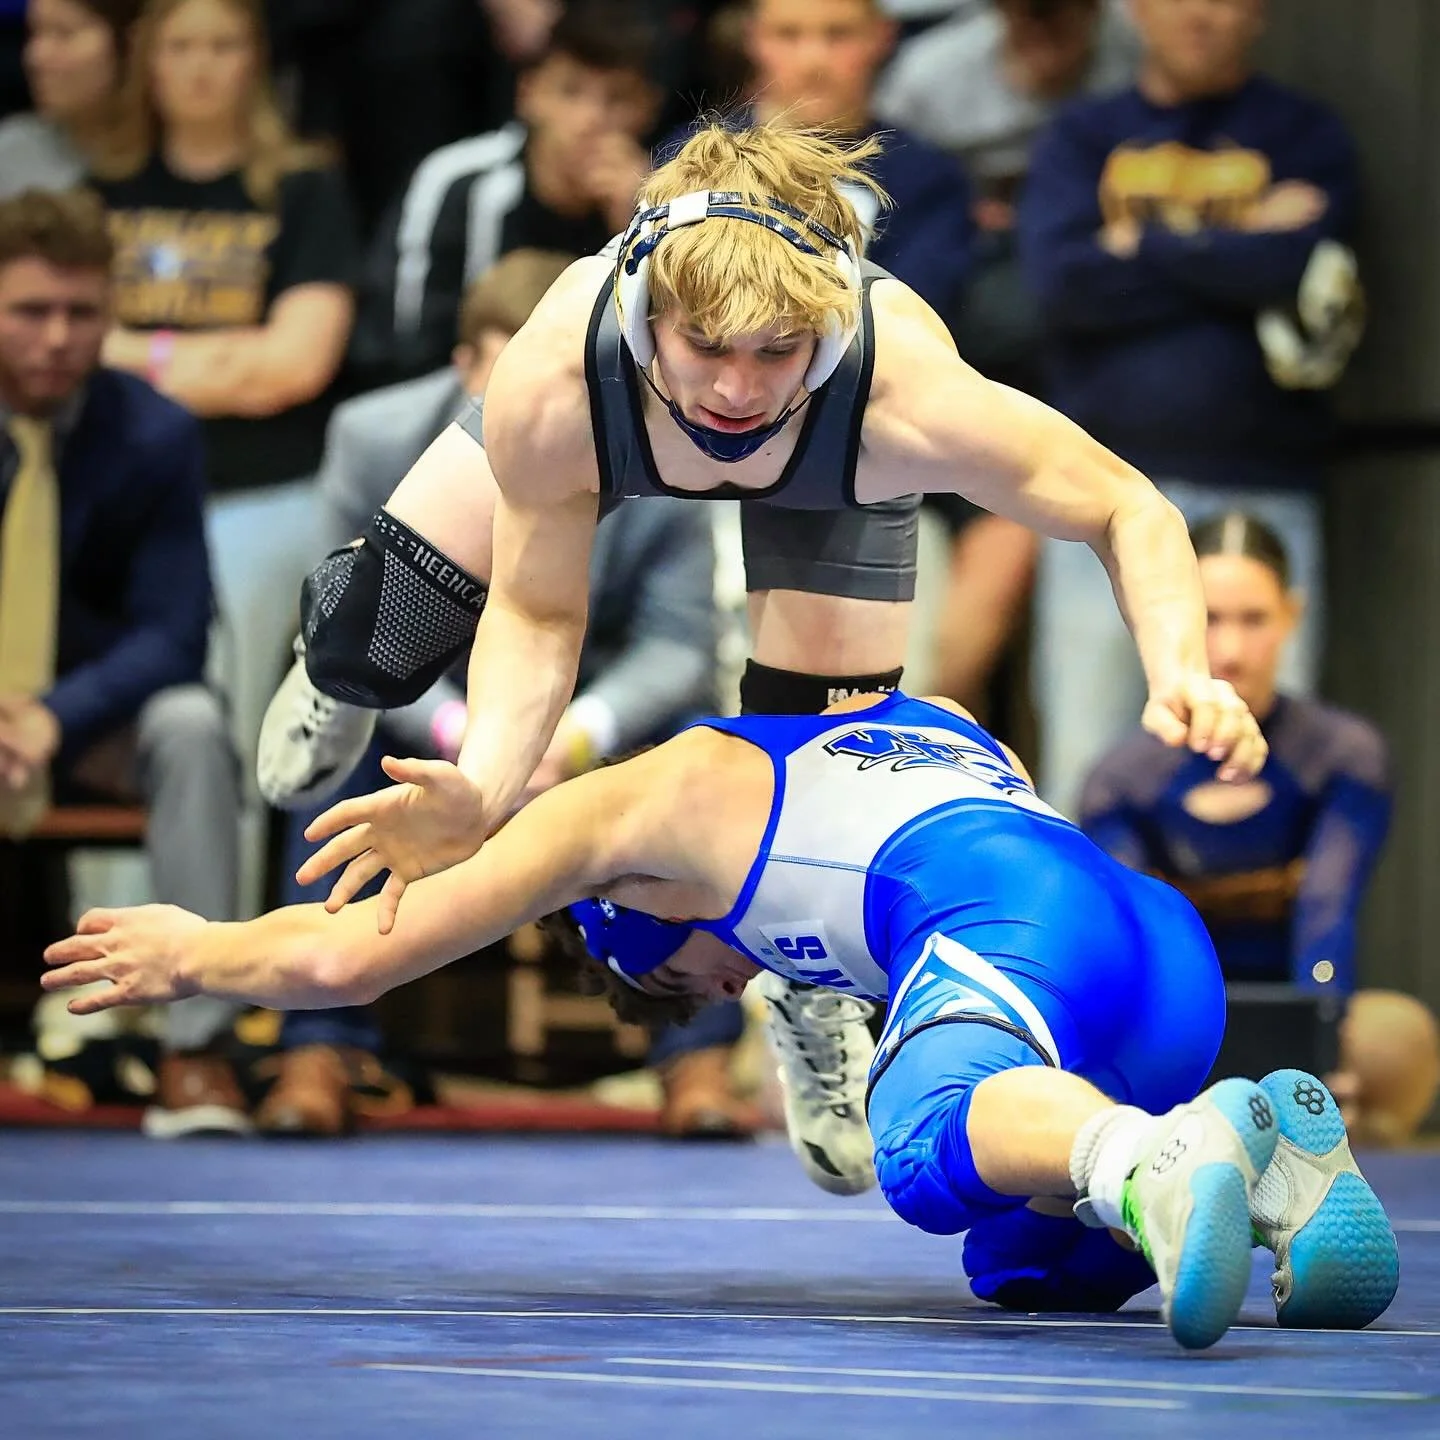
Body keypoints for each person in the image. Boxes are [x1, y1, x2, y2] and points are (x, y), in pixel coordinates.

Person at [258, 119, 1268, 1196]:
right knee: (377, 632)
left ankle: (809, 985)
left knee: (825, 756)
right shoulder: (559, 370)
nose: (736, 390)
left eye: (775, 351)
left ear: (826, 328)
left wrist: (1181, 669)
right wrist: (488, 789)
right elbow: (542, 613)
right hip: (609, 415)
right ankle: (336, 679)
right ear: (647, 314)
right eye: (707, 348)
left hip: (831, 466)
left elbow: (1123, 505)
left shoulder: (899, 385)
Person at [41, 690, 1398, 1348]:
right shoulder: (908, 719)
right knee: (1022, 1267)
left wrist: (199, 951)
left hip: (1014, 923)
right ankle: (1263, 1164)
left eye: (692, 980)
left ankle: (1150, 1153)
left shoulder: (620, 816)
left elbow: (359, 955)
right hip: (1156, 955)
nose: (735, 983)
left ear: (629, 912)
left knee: (919, 1144)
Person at [256, 249, 732, 1137]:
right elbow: (345, 622)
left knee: (699, 745)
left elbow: (677, 646)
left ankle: (694, 1056)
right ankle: (318, 1046)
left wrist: (571, 735)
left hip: (591, 726)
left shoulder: (668, 439)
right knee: (341, 734)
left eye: (563, 370)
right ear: (464, 365)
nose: (539, 392)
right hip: (427, 717)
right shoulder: (372, 436)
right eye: (512, 368)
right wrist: (465, 739)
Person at [1018, 0, 1361, 815]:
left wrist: (1139, 244)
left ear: (1259, 12)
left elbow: (1300, 270)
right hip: (1096, 495)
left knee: (1259, 770)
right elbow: (1061, 287)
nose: (1200, 14)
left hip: (1261, 484)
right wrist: (1235, 241)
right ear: (1136, 9)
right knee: (1086, 764)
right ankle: (1093, 913)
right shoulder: (1084, 136)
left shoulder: (1304, 133)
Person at [0, 186, 243, 1135]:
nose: (58, 338)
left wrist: (54, 715)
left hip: (89, 722)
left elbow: (176, 632)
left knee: (193, 726)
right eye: (30, 311)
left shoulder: (153, 433)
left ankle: (197, 1048)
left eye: (81, 312)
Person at [1080, 512, 1440, 1146]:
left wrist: (1318, 1044)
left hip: (1298, 1006)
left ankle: (1341, 1155)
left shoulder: (1342, 756)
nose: (1231, 649)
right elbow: (1139, 940)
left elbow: (1327, 909)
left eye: (1254, 620)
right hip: (1179, 1019)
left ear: (1291, 615)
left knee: (1400, 1038)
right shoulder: (1122, 779)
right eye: (1211, 619)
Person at [87, 0, 360, 789]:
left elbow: (294, 365)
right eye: (180, 46)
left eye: (222, 45)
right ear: (147, 61)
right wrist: (229, 359)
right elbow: (72, 353)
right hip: (124, 492)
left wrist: (135, 350)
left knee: (238, 723)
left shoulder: (305, 189)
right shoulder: (100, 191)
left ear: (255, 61)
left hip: (268, 492)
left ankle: (226, 873)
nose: (201, 66)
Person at [347, 0, 662, 389]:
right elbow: (405, 344)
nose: (591, 119)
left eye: (616, 99)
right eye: (570, 91)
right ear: (527, 94)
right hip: (457, 396)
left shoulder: (662, 205)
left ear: (648, 109)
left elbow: (663, 363)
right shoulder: (454, 181)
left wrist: (633, 229)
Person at [0, 0, 140, 199]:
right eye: (34, 33)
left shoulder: (176, 156)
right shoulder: (11, 153)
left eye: (64, 33)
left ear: (131, 43)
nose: (36, 56)